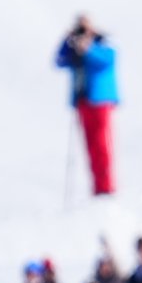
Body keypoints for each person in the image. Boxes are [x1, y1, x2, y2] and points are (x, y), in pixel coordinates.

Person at [55, 14, 119, 195]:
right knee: (90, 146)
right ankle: (97, 188)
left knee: (101, 144)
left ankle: (106, 187)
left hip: (100, 100)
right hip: (82, 101)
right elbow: (59, 61)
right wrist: (68, 41)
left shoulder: (104, 42)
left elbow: (108, 60)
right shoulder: (74, 48)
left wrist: (89, 47)